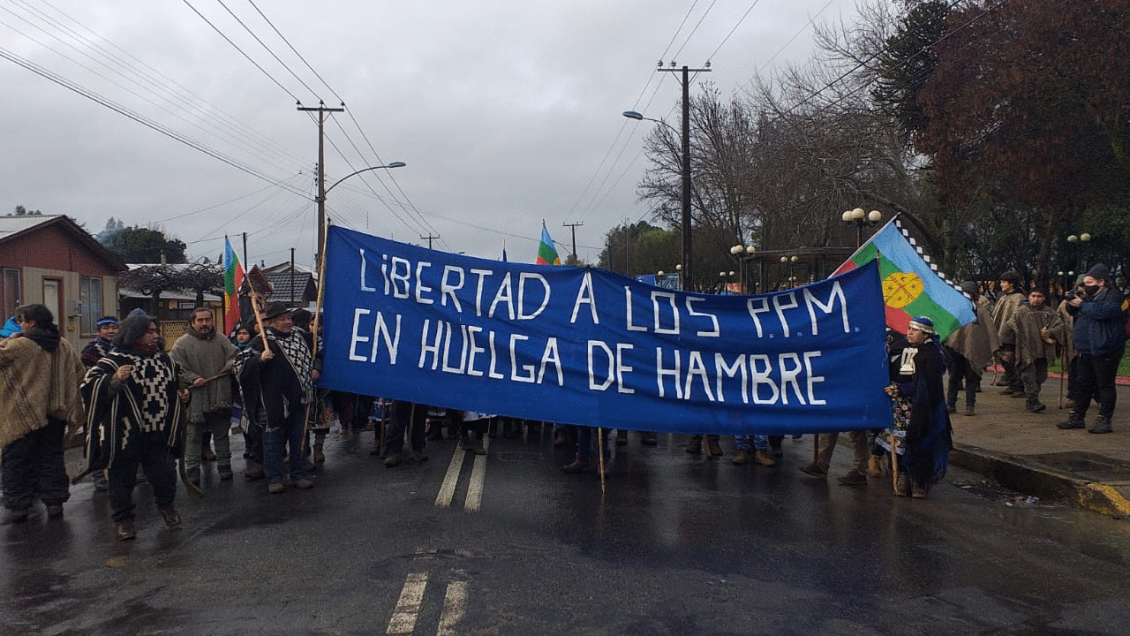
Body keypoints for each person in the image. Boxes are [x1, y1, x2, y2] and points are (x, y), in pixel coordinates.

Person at [80, 314, 186, 540]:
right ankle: (124, 520)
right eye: (149, 332)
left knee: (165, 473)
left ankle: (167, 507)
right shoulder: (113, 360)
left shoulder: (165, 360)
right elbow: (88, 387)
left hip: (159, 430)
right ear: (134, 333)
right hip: (125, 432)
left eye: (155, 331)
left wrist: (182, 395)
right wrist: (114, 380)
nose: (155, 335)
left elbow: (176, 385)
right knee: (121, 478)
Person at [1, 304, 86, 524]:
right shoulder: (63, 344)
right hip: (56, 414)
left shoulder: (20, 345)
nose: (20, 325)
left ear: (32, 323)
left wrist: (9, 340)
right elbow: (79, 372)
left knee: (17, 460)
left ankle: (19, 506)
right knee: (52, 457)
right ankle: (54, 502)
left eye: (23, 321)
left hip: (23, 416)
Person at [235, 303, 319, 493]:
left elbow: (319, 350)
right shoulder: (260, 342)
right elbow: (240, 366)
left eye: (288, 318)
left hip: (300, 398)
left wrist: (317, 368)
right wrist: (259, 360)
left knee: (298, 440)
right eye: (282, 319)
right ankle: (274, 478)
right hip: (273, 402)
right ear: (271, 322)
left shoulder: (301, 336)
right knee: (273, 441)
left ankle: (298, 474)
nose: (288, 322)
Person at [883, 317, 953, 498]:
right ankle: (904, 477)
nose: (910, 333)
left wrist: (900, 389)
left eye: (915, 330)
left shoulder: (931, 355)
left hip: (924, 407)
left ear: (926, 334)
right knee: (901, 443)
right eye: (909, 329)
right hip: (901, 406)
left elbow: (925, 384)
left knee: (921, 442)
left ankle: (919, 481)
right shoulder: (901, 349)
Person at [169, 307, 239, 484]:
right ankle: (192, 471)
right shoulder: (182, 344)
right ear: (193, 322)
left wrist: (230, 366)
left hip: (219, 394)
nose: (205, 324)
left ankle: (225, 466)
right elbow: (176, 368)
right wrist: (193, 378)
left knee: (221, 435)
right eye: (200, 320)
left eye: (207, 320)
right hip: (195, 396)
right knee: (193, 437)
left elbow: (235, 355)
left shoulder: (222, 340)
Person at [1057, 264, 1126, 434]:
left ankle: (1104, 419)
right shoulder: (1088, 298)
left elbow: (1106, 312)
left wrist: (1082, 304)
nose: (1086, 286)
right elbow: (1073, 311)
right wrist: (1072, 302)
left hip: (1105, 349)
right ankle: (1077, 416)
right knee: (1082, 384)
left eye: (1089, 282)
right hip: (1085, 349)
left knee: (1105, 385)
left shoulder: (1114, 296)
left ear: (1101, 282)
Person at [999, 289, 1064, 413]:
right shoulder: (1021, 312)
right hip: (1026, 350)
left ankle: (1033, 397)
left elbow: (1059, 325)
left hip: (1044, 350)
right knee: (1028, 376)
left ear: (1044, 298)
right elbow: (1008, 328)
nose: (1036, 299)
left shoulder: (1050, 312)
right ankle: (1032, 401)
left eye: (1039, 296)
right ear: (1029, 297)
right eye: (1033, 296)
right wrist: (1007, 348)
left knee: (1040, 376)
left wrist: (1050, 332)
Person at [945, 281, 998, 416]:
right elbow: (947, 329)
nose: (967, 296)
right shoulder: (954, 309)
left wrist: (995, 347)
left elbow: (990, 331)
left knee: (971, 379)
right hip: (955, 350)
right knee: (954, 379)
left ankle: (970, 405)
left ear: (975, 295)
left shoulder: (982, 311)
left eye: (970, 293)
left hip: (974, 350)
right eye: (964, 293)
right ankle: (951, 404)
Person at [990, 271, 1026, 396]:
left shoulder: (1019, 298)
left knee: (1012, 360)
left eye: (1004, 282)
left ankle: (1019, 386)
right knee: (1005, 360)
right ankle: (1012, 383)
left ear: (1012, 284)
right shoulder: (1004, 297)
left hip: (1012, 336)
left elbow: (1017, 317)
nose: (1001, 285)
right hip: (1001, 334)